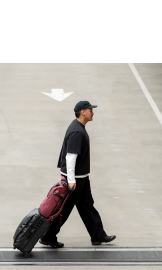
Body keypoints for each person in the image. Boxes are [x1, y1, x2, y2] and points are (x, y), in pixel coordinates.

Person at [39, 100, 116, 247]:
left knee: (87, 206)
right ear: (83, 112)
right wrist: (71, 180)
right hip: (75, 180)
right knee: (63, 210)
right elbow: (70, 156)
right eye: (90, 110)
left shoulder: (77, 127)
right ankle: (47, 236)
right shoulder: (77, 132)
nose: (93, 113)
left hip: (81, 178)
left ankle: (98, 236)